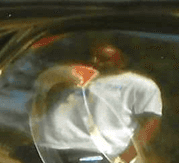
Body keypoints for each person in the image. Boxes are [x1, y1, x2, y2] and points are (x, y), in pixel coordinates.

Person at [30, 43, 162, 163]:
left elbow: (151, 122)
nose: (95, 61)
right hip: (47, 147)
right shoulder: (78, 77)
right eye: (92, 57)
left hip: (94, 152)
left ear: (121, 61)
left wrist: (126, 157)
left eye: (103, 58)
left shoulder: (139, 84)